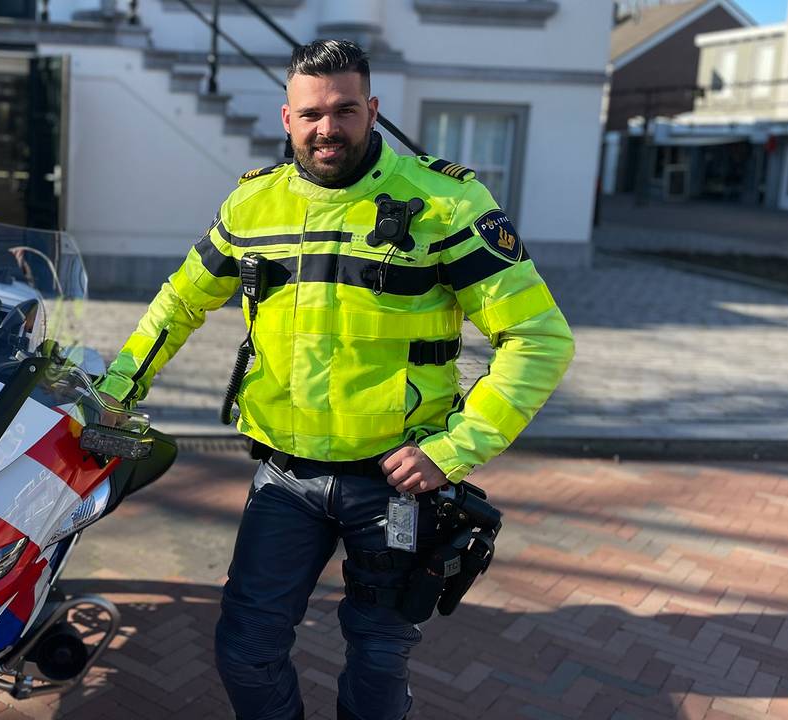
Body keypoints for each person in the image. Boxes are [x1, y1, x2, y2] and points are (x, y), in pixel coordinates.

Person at [96, 39, 574, 720]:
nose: (329, 128)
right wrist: (117, 390)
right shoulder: (251, 207)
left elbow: (539, 338)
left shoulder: (446, 204)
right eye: (312, 113)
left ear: (372, 109)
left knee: (378, 659)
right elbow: (179, 302)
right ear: (285, 118)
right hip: (284, 480)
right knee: (244, 651)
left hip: (393, 483)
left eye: (346, 109)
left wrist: (452, 449)